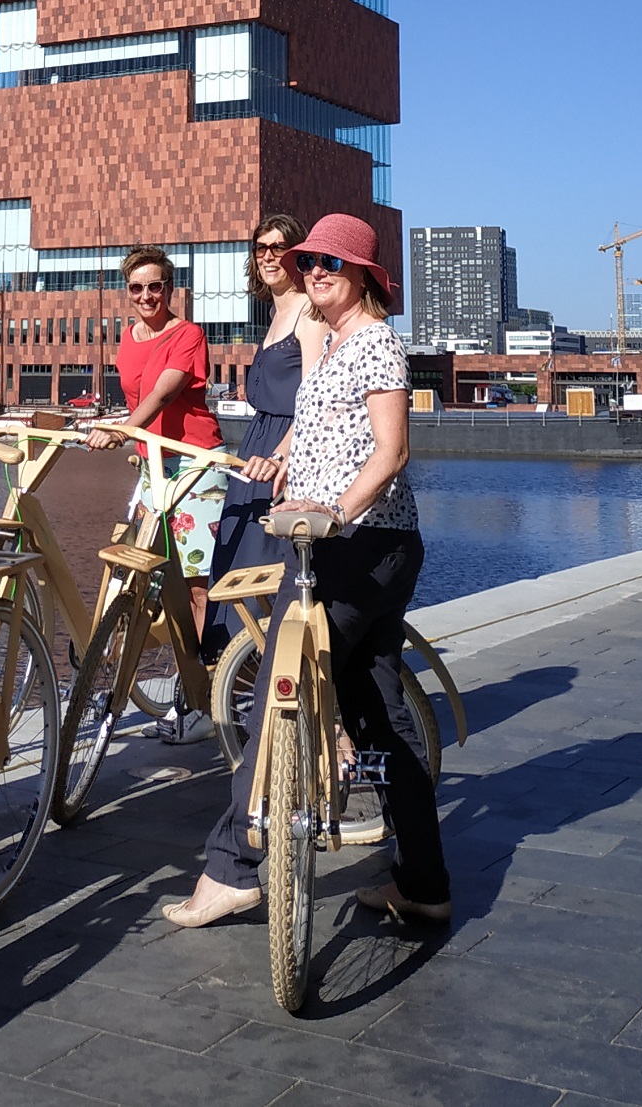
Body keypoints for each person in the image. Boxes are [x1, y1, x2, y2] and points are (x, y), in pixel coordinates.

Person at [162, 213, 450, 927]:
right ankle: (424, 881)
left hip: (355, 548)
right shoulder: (336, 343)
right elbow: (317, 429)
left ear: (363, 276)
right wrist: (288, 464)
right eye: (310, 260)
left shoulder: (376, 342)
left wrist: (334, 514)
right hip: (347, 543)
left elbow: (392, 451)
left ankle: (232, 867)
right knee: (378, 717)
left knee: (273, 694)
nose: (316, 270)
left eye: (332, 262)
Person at [85, 244, 227, 743]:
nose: (147, 295)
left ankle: (199, 703)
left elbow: (164, 393)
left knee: (193, 582)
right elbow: (135, 400)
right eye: (137, 287)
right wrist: (128, 437)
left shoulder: (186, 334)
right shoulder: (127, 337)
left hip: (194, 465)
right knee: (141, 573)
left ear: (171, 289)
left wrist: (123, 429)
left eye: (156, 286)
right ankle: (153, 684)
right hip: (154, 468)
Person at [201, 213, 323, 663]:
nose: (268, 256)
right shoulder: (274, 315)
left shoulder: (310, 313)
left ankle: (265, 686)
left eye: (278, 248)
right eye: (260, 248)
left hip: (279, 462)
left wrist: (280, 457)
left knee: (265, 575)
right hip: (252, 457)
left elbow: (313, 400)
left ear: (296, 254)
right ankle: (231, 689)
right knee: (234, 566)